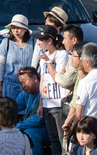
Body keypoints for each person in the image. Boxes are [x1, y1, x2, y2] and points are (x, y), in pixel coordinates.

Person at [0, 67, 50, 155]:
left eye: (24, 81)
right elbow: (8, 109)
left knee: (30, 134)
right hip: (28, 125)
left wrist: (16, 127)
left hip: (45, 128)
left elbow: (38, 118)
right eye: (21, 83)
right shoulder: (25, 94)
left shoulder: (45, 93)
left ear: (34, 78)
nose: (23, 86)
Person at [32, 25, 69, 155]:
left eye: (41, 40)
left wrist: (48, 61)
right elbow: (42, 80)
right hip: (48, 103)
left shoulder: (62, 55)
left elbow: (57, 78)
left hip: (59, 103)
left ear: (50, 41)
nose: (38, 43)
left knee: (62, 138)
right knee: (53, 138)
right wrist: (41, 104)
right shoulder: (44, 56)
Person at [0, 15, 36, 99]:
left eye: (19, 28)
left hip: (28, 86)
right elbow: (1, 66)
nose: (16, 31)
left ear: (25, 30)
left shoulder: (33, 43)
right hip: (10, 86)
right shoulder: (5, 43)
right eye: (13, 28)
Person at [54, 25, 84, 117]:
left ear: (74, 40)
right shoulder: (71, 55)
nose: (62, 42)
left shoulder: (78, 58)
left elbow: (64, 81)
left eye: (65, 39)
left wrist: (60, 73)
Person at [62, 41, 86, 132]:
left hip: (80, 127)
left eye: (73, 55)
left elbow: (77, 105)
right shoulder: (79, 75)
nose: (71, 58)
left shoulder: (84, 80)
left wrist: (67, 122)